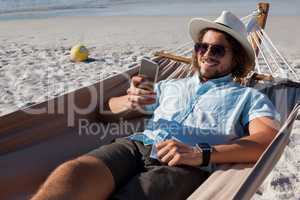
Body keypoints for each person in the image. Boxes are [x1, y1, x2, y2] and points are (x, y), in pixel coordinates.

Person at [31, 11, 280, 200]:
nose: (206, 54)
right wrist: (129, 101)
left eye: (217, 49)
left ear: (234, 57)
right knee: (72, 173)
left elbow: (268, 140)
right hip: (136, 145)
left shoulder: (249, 97)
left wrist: (200, 153)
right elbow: (105, 112)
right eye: (202, 46)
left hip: (185, 163)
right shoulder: (169, 86)